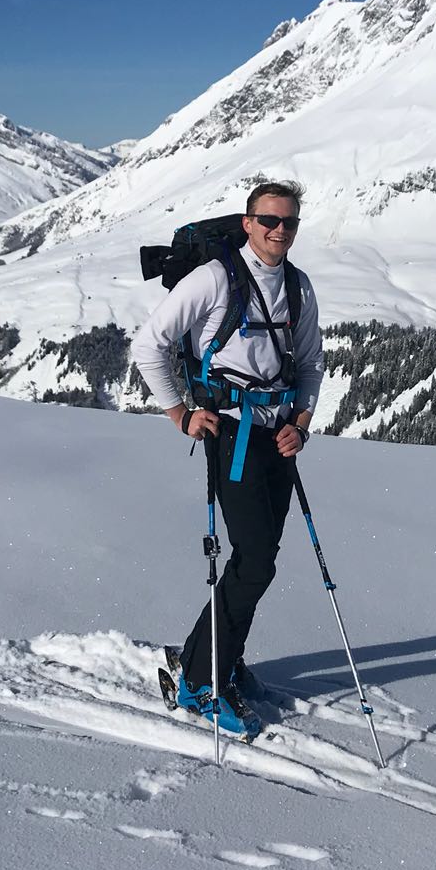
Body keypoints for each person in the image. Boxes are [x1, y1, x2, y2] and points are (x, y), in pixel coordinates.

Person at [130, 181, 324, 736]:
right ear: (248, 222)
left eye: (288, 221)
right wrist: (180, 414)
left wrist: (301, 425)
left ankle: (219, 657)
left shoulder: (298, 285)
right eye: (269, 220)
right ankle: (199, 680)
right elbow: (148, 344)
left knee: (257, 560)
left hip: (277, 434)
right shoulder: (216, 278)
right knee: (255, 561)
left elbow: (310, 363)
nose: (279, 230)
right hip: (232, 432)